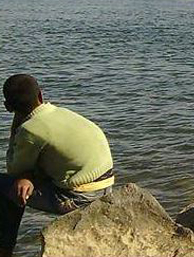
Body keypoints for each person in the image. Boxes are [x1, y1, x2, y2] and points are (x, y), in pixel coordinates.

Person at [0, 74, 114, 256]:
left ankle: (4, 249)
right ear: (40, 95)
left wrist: (16, 127)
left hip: (79, 198)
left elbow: (14, 170)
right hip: (106, 187)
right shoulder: (63, 113)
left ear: (8, 107)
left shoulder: (29, 130)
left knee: (7, 187)